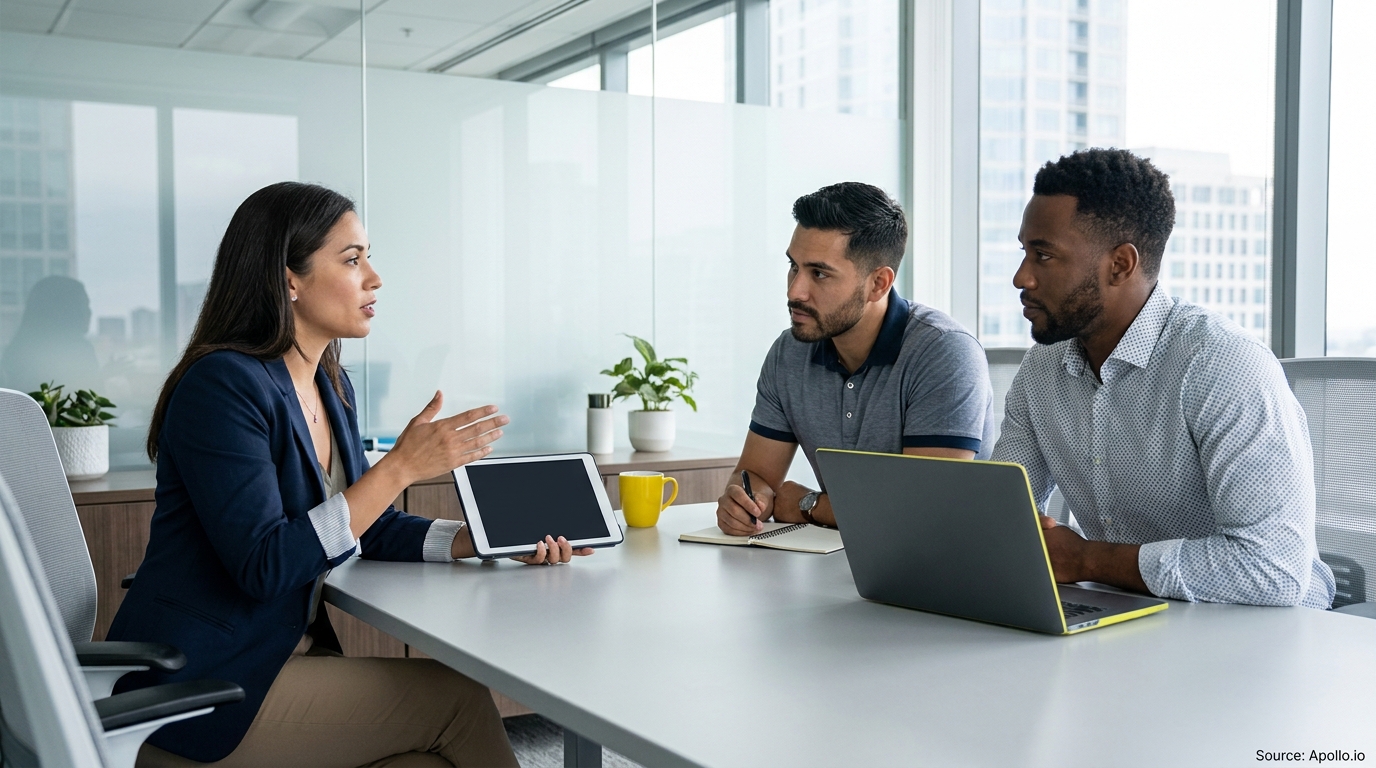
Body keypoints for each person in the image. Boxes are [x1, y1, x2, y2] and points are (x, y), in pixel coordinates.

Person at [108, 182, 592, 767]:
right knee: (457, 700)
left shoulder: (330, 385)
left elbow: (371, 525)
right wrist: (402, 466)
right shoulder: (222, 387)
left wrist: (481, 542)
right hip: (208, 683)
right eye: (352, 259)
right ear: (289, 278)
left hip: (284, 659)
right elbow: (265, 565)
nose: (375, 277)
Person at [992, 148, 1334, 609]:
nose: (1021, 277)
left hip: (1266, 634)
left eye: (1044, 255)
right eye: (1024, 252)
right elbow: (998, 518)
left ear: (1120, 264)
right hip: (1135, 618)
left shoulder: (1222, 364)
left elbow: (1272, 569)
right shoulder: (1042, 371)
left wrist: (1089, 561)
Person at [717, 182, 994, 535]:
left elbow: (923, 513)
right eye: (793, 267)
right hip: (841, 561)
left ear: (878, 283)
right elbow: (756, 477)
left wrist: (808, 505)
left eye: (819, 273)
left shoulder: (944, 353)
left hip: (943, 571)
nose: (794, 291)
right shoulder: (789, 353)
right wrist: (743, 502)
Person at [0, 275, 102, 393]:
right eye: (83, 305)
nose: (89, 312)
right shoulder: (79, 350)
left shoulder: (17, 351)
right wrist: (101, 378)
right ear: (66, 310)